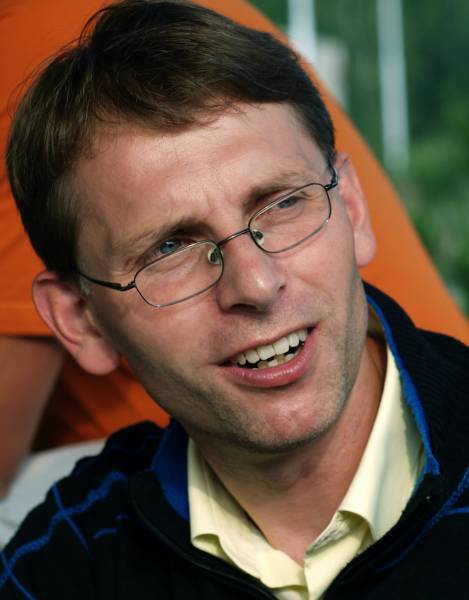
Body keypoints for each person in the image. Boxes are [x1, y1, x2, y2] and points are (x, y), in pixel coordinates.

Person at [1, 0, 468, 598]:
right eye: (170, 248)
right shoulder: (63, 563)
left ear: (351, 207)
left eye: (282, 204)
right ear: (81, 320)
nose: (255, 285)